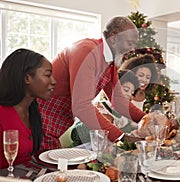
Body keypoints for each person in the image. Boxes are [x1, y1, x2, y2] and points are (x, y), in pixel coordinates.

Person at [38, 16, 146, 150]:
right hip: (39, 120)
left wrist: (146, 119)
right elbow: (82, 106)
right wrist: (121, 137)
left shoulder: (110, 62)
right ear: (114, 37)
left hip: (56, 124)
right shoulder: (86, 50)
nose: (132, 49)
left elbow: (118, 100)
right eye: (130, 43)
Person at [0, 48, 56, 168]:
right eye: (47, 75)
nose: (54, 81)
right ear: (27, 78)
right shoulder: (2, 115)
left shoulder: (33, 110)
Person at [71, 70, 140, 146]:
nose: (129, 95)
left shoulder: (123, 114)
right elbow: (75, 134)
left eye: (132, 92)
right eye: (126, 90)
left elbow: (127, 131)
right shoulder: (99, 106)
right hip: (85, 150)